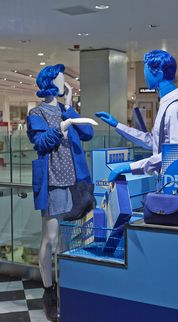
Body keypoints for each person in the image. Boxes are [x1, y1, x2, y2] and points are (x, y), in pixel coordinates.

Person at [27, 64, 96, 321]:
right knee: (50, 238)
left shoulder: (65, 109)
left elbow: (88, 133)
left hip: (75, 182)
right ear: (48, 82)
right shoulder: (36, 113)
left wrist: (69, 105)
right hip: (54, 181)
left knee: (67, 240)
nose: (63, 82)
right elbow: (41, 143)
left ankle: (67, 288)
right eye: (59, 79)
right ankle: (48, 290)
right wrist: (63, 126)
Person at [96, 50, 178, 181]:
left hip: (176, 183)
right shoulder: (167, 103)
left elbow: (175, 153)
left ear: (158, 74)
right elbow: (153, 141)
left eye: (145, 72)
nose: (145, 76)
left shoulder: (176, 108)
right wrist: (117, 125)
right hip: (167, 179)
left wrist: (131, 167)